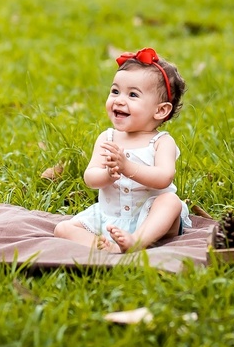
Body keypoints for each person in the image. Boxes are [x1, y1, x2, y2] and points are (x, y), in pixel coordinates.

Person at [54, 47, 190, 252]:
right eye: (115, 91)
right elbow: (90, 177)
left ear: (160, 110)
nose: (119, 99)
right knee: (62, 229)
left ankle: (138, 239)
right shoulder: (107, 138)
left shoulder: (162, 142)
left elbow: (164, 178)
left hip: (150, 216)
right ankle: (106, 247)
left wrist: (127, 167)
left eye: (133, 94)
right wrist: (107, 175)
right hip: (110, 217)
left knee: (170, 202)